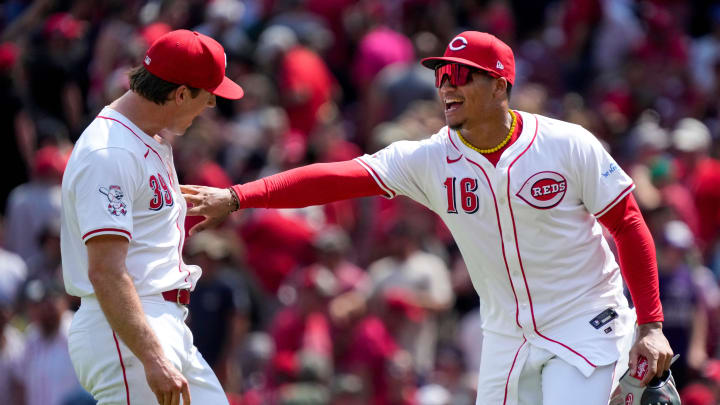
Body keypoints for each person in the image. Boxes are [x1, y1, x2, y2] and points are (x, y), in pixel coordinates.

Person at [182, 31, 673, 404]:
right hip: (506, 333)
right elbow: (336, 177)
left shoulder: (566, 144)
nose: (446, 85)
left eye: (461, 75)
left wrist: (651, 323)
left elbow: (628, 224)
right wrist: (240, 196)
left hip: (585, 318)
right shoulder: (430, 159)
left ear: (500, 84)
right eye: (441, 75)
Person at [60, 29, 244, 405]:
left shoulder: (143, 138)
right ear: (179, 94)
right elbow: (106, 271)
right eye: (207, 95)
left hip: (160, 323)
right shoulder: (110, 152)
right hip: (127, 332)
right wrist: (152, 355)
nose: (211, 105)